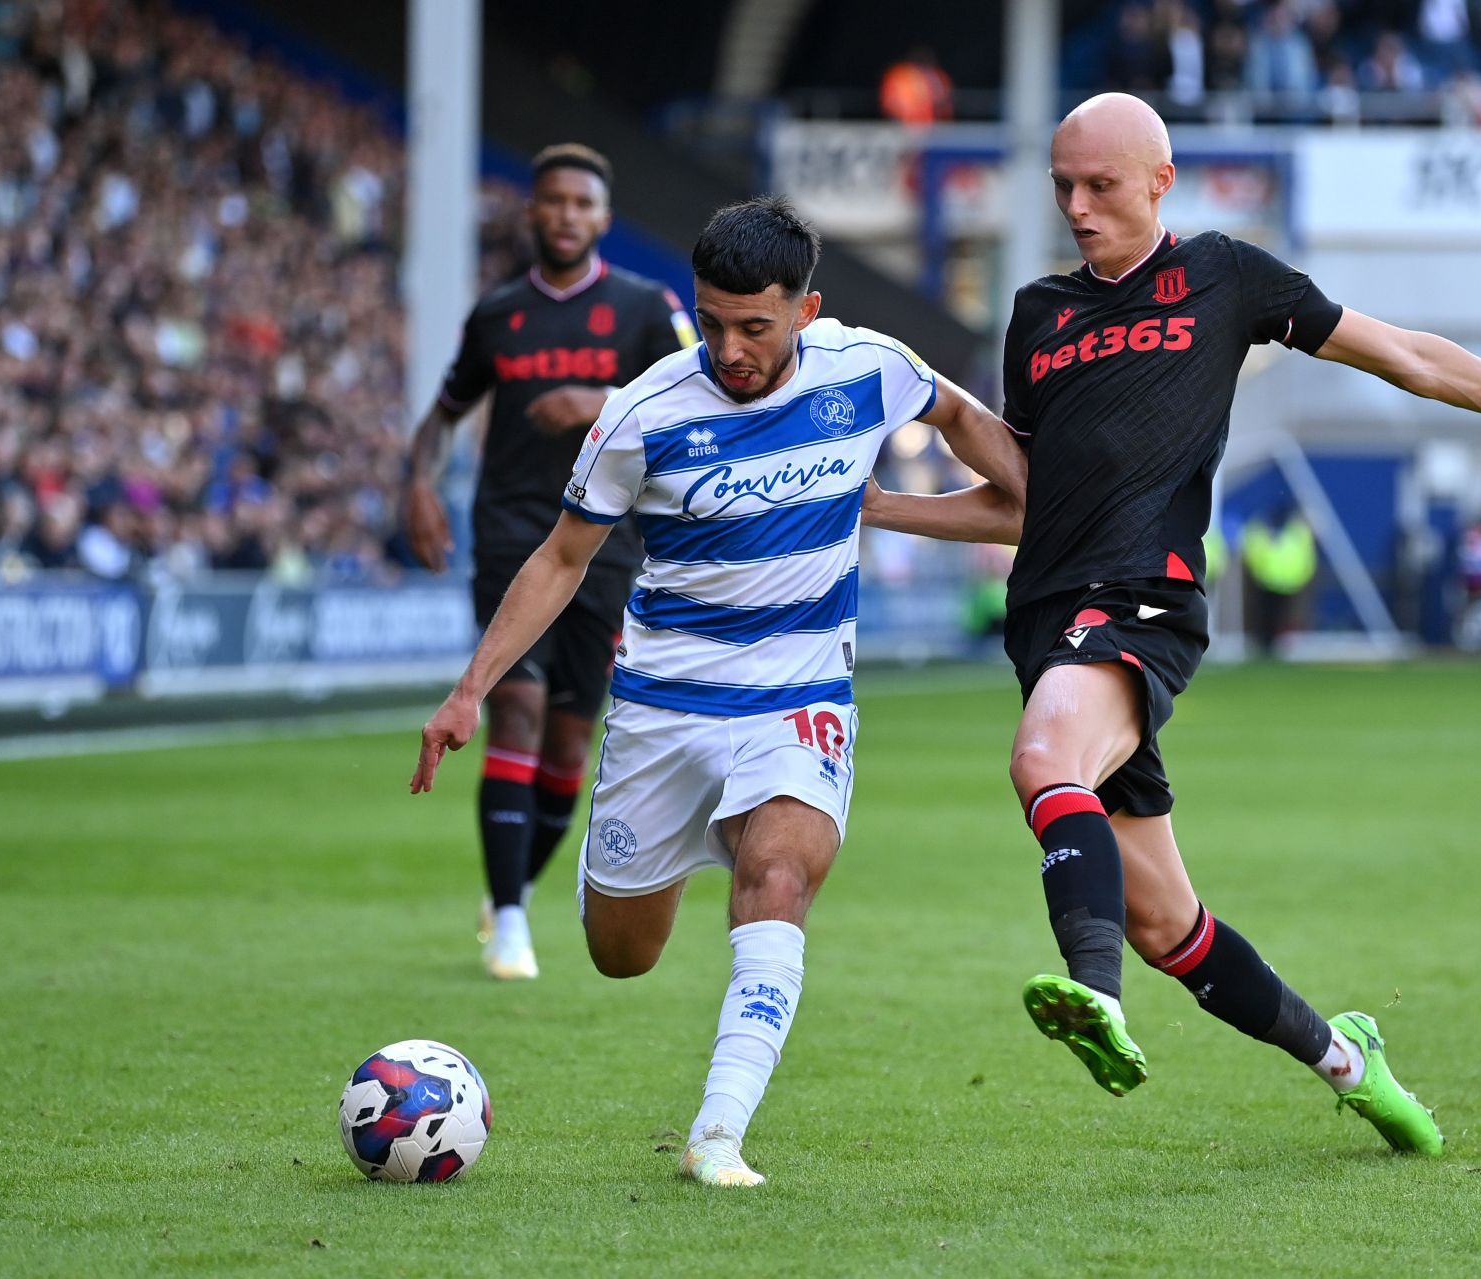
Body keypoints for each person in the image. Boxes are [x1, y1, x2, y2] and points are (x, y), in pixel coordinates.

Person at [866, 92, 1481, 1157]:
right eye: (1063, 185)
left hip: (1142, 604)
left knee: (1042, 757)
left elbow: (1408, 356)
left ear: (1160, 182)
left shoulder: (1224, 278)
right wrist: (872, 507)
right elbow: (1025, 501)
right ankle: (1349, 1060)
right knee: (1170, 927)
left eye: (1100, 185)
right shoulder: (1038, 314)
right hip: (1049, 623)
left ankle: (1090, 993)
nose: (1077, 205)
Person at [411, 196, 1025, 1187]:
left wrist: (897, 507)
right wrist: (469, 689)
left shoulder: (869, 369)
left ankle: (718, 1133)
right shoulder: (645, 412)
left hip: (800, 697)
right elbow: (563, 559)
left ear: (806, 309)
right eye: (713, 321)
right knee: (622, 953)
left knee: (780, 877)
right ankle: (658, 858)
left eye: (756, 326)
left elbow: (1001, 473)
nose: (730, 349)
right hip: (663, 710)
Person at [402, 144, 699, 982]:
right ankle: (508, 919)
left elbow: (700, 397)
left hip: (607, 543)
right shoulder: (497, 314)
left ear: (602, 219)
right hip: (511, 532)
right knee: (519, 711)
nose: (566, 214)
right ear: (531, 212)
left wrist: (600, 403)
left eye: (582, 203)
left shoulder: (647, 309)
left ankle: (513, 895)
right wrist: (417, 483)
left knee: (570, 742)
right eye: (553, 200)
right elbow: (444, 412)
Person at [1240, 497, 1316, 655]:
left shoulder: (1292, 531)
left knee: (1280, 615)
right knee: (1267, 614)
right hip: (1273, 580)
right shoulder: (1294, 531)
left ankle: (1277, 644)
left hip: (1286, 581)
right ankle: (1267, 643)